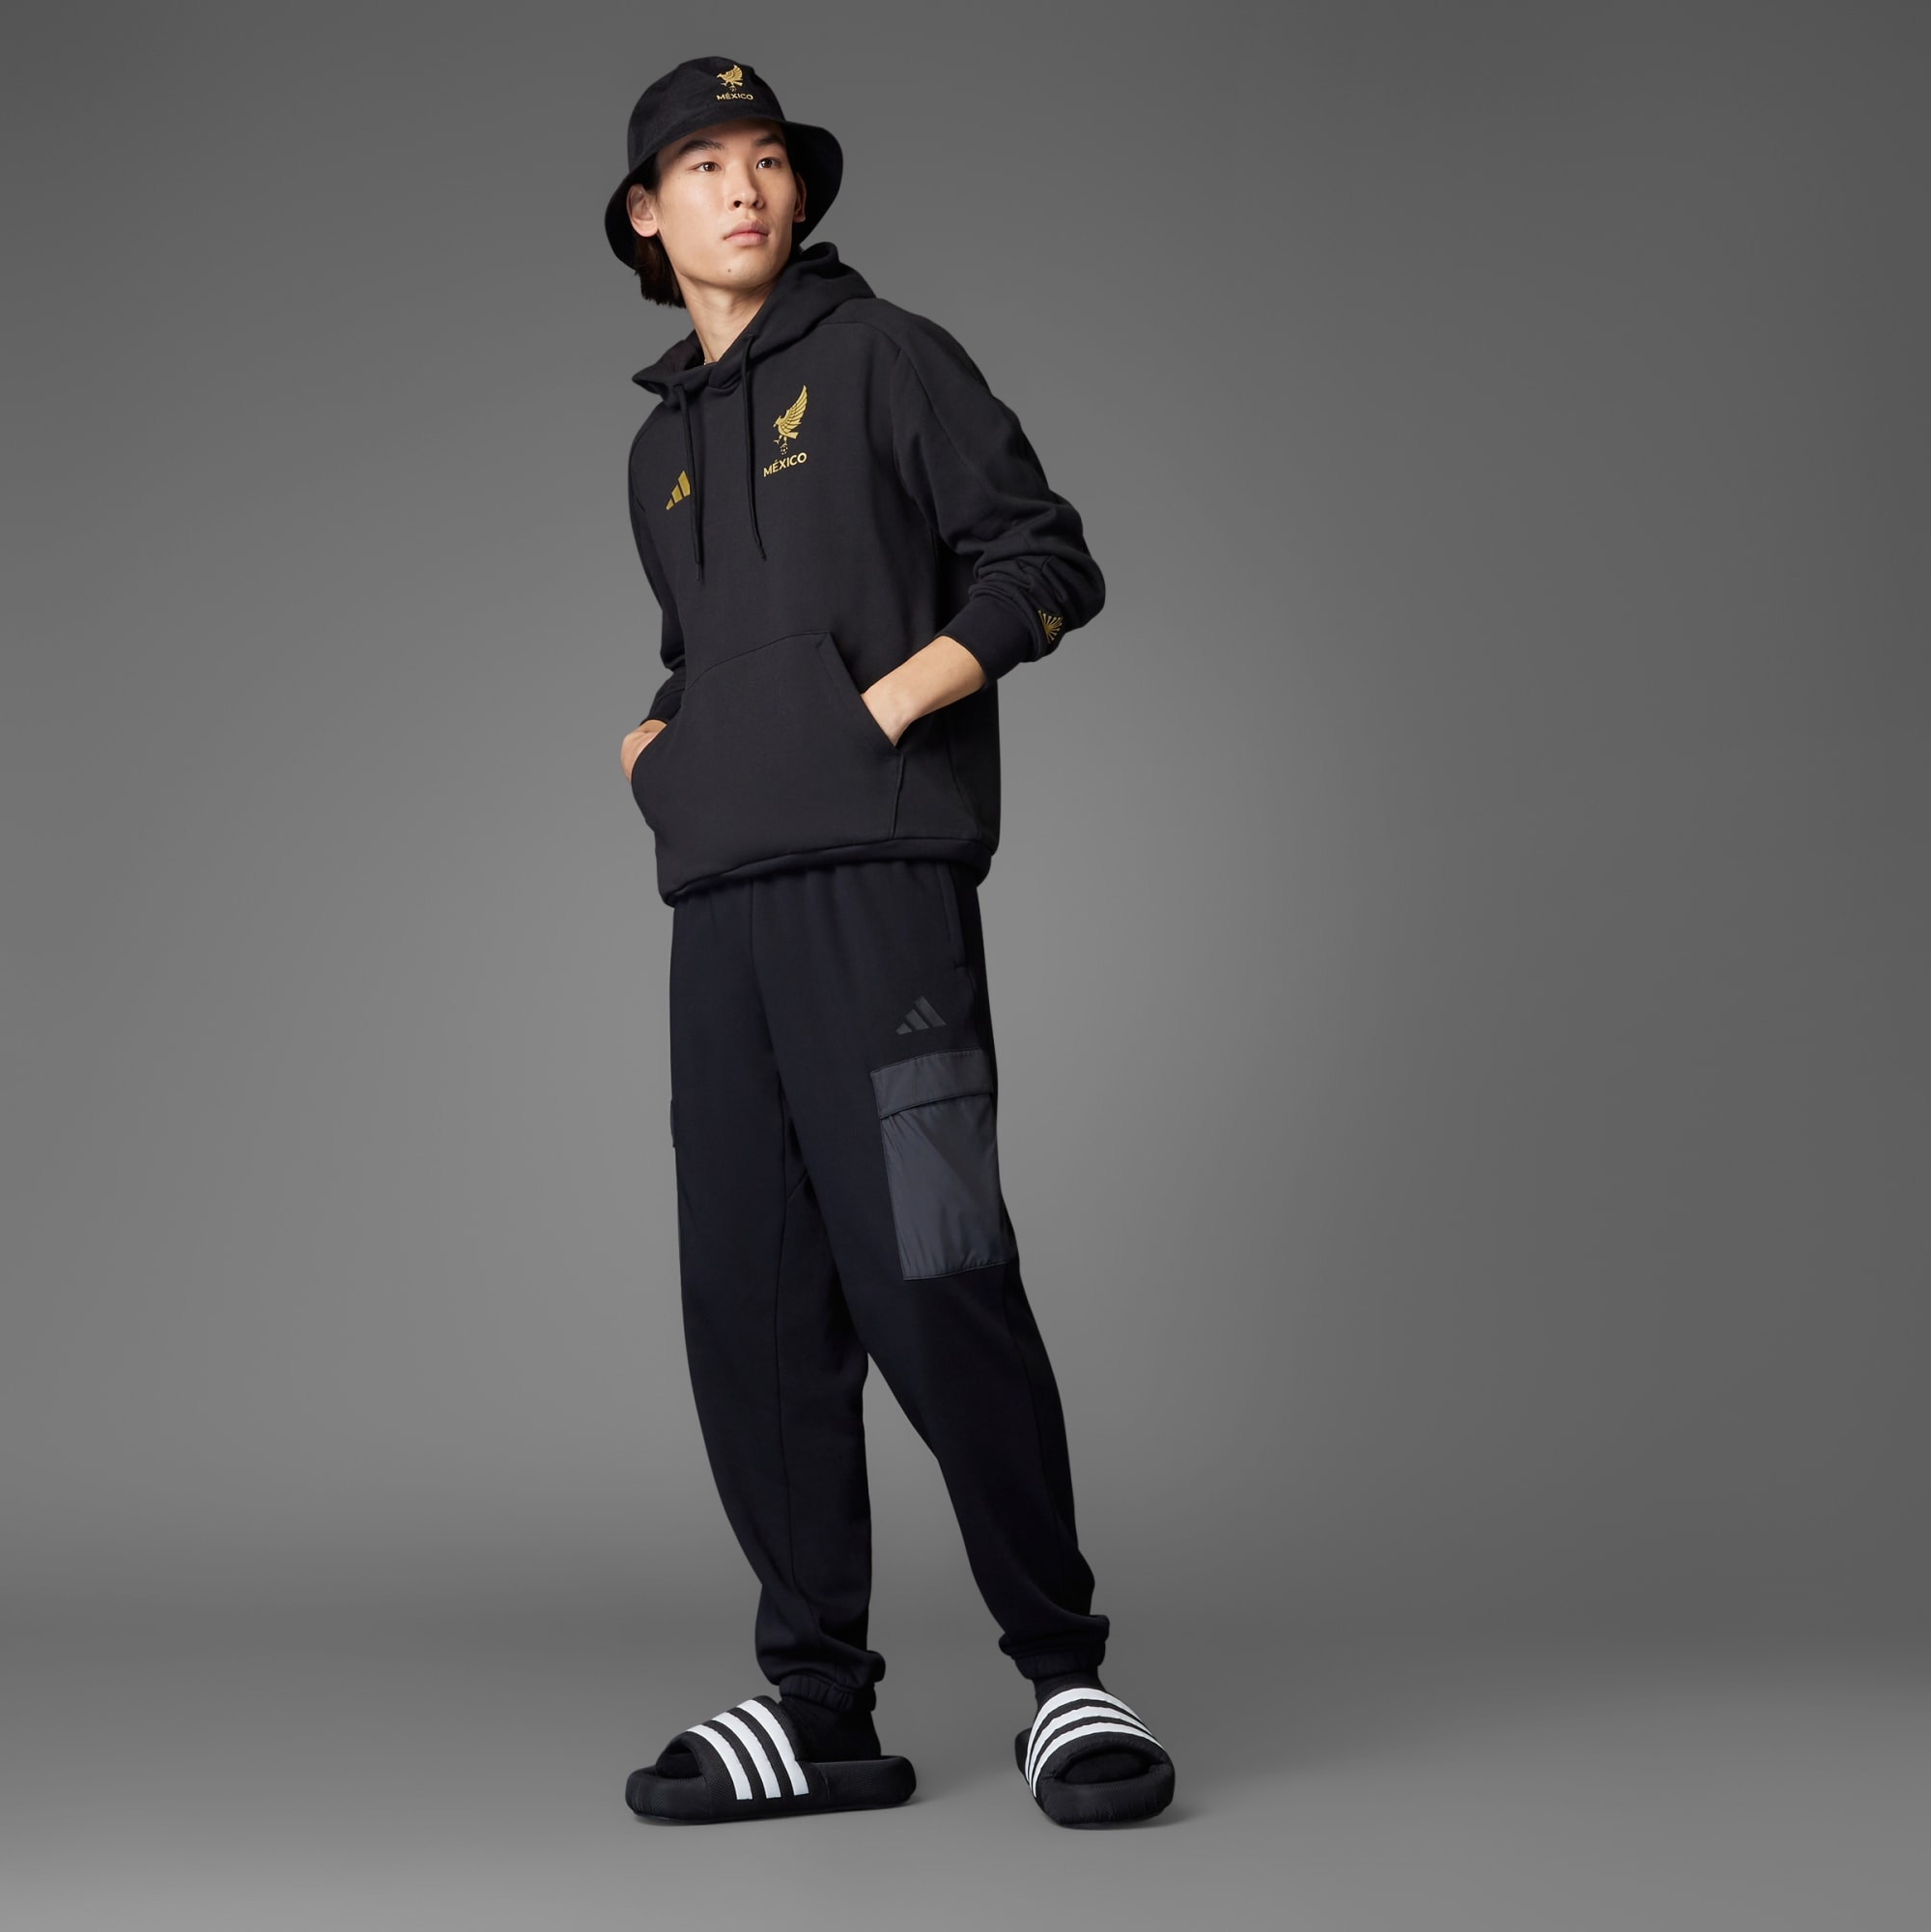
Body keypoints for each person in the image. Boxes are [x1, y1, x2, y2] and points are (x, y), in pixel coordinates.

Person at [606, 55, 1174, 1829]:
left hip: (883, 894)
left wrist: (885, 710)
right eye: (705, 165)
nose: (745, 188)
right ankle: (817, 1702)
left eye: (768, 158)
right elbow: (702, 657)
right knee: (750, 1308)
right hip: (722, 915)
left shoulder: (884, 357)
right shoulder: (655, 452)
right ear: (645, 215)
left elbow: (1044, 560)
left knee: (936, 1274)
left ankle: (1065, 1674)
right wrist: (656, 748)